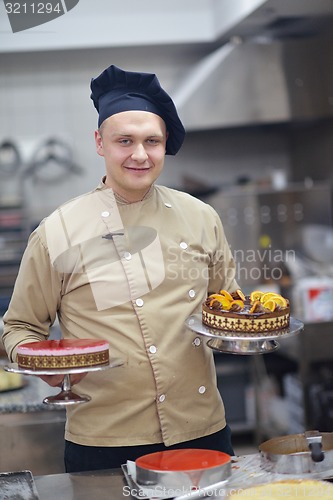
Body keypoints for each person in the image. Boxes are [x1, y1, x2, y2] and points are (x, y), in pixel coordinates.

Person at [2, 65, 239, 472]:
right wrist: (40, 363)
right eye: (124, 141)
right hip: (105, 438)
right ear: (99, 142)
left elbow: (226, 309)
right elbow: (19, 328)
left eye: (153, 141)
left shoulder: (201, 217)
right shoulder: (58, 231)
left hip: (201, 429)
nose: (140, 154)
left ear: (165, 145)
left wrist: (241, 331)